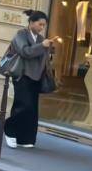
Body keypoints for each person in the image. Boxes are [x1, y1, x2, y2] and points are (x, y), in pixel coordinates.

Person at [3, 10, 55, 148]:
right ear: (31, 22)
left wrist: (48, 52)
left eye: (44, 25)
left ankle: (26, 138)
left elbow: (42, 58)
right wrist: (42, 46)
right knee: (22, 106)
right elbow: (25, 52)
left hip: (36, 77)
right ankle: (10, 131)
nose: (42, 27)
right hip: (22, 75)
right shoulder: (21, 35)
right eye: (40, 24)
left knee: (32, 109)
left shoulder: (40, 38)